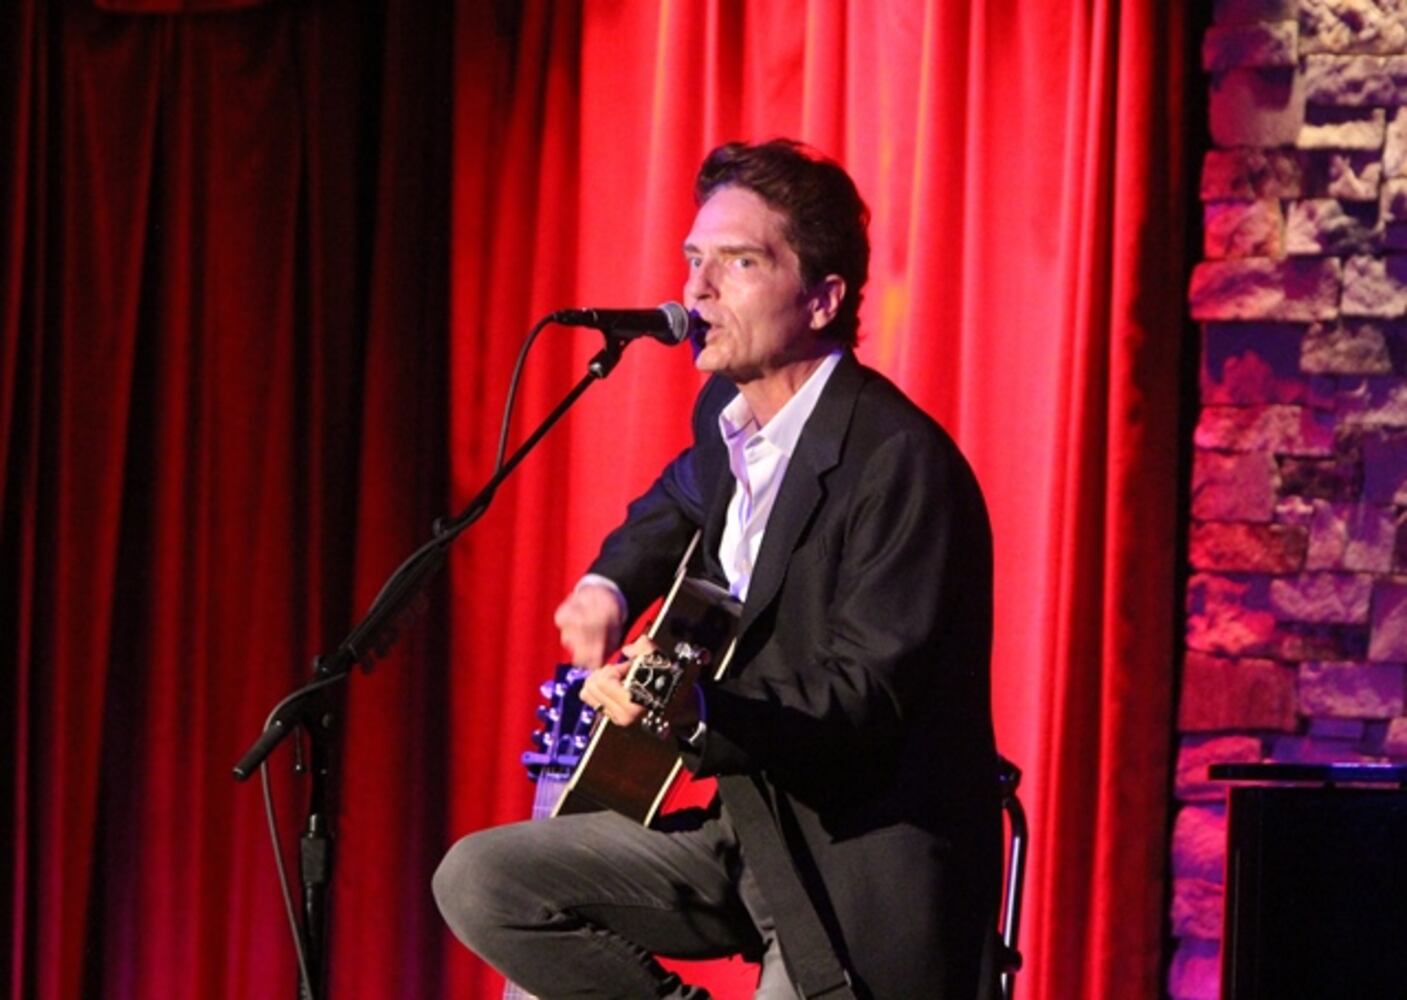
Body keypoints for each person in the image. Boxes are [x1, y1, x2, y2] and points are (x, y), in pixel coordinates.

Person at [434, 139, 1001, 1000]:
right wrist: (609, 585)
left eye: (738, 262)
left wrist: (695, 708)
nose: (695, 290)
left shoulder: (896, 462)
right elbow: (677, 499)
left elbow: (864, 698)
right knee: (484, 882)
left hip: (849, 867)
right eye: (693, 258)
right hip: (742, 835)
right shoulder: (727, 419)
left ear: (822, 298)